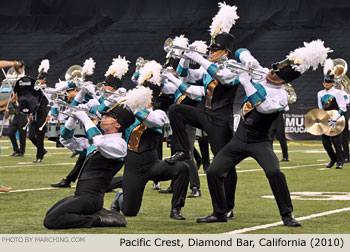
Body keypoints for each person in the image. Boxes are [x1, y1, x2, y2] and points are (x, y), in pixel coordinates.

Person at [196, 39, 331, 226]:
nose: (270, 73)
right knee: (213, 171)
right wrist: (247, 57)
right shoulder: (262, 72)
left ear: (283, 80)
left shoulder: (282, 96)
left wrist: (247, 83)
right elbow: (241, 51)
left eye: (275, 74)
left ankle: (287, 214)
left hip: (260, 142)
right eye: (272, 69)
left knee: (274, 172)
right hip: (240, 138)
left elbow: (264, 107)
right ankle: (220, 212)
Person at [110, 63, 190, 220]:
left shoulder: (158, 113)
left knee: (183, 168)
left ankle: (176, 209)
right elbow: (105, 115)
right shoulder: (129, 112)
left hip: (152, 164)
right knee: (129, 212)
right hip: (133, 167)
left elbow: (154, 122)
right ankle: (121, 197)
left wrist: (133, 105)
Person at [43, 102, 135, 229]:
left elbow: (99, 142)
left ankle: (97, 219)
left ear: (118, 124)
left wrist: (85, 118)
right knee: (50, 214)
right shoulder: (101, 140)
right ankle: (99, 213)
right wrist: (73, 118)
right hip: (81, 195)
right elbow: (65, 140)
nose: (104, 117)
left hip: (91, 198)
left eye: (109, 116)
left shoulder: (120, 145)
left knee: (51, 220)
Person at [317, 59, 347, 169]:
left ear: (332, 83)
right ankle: (333, 159)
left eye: (328, 82)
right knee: (325, 142)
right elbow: (320, 108)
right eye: (325, 82)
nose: (326, 84)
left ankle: (340, 162)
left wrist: (335, 119)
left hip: (336, 118)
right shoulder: (320, 93)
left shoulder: (337, 93)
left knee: (336, 141)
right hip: (326, 119)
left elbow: (342, 107)